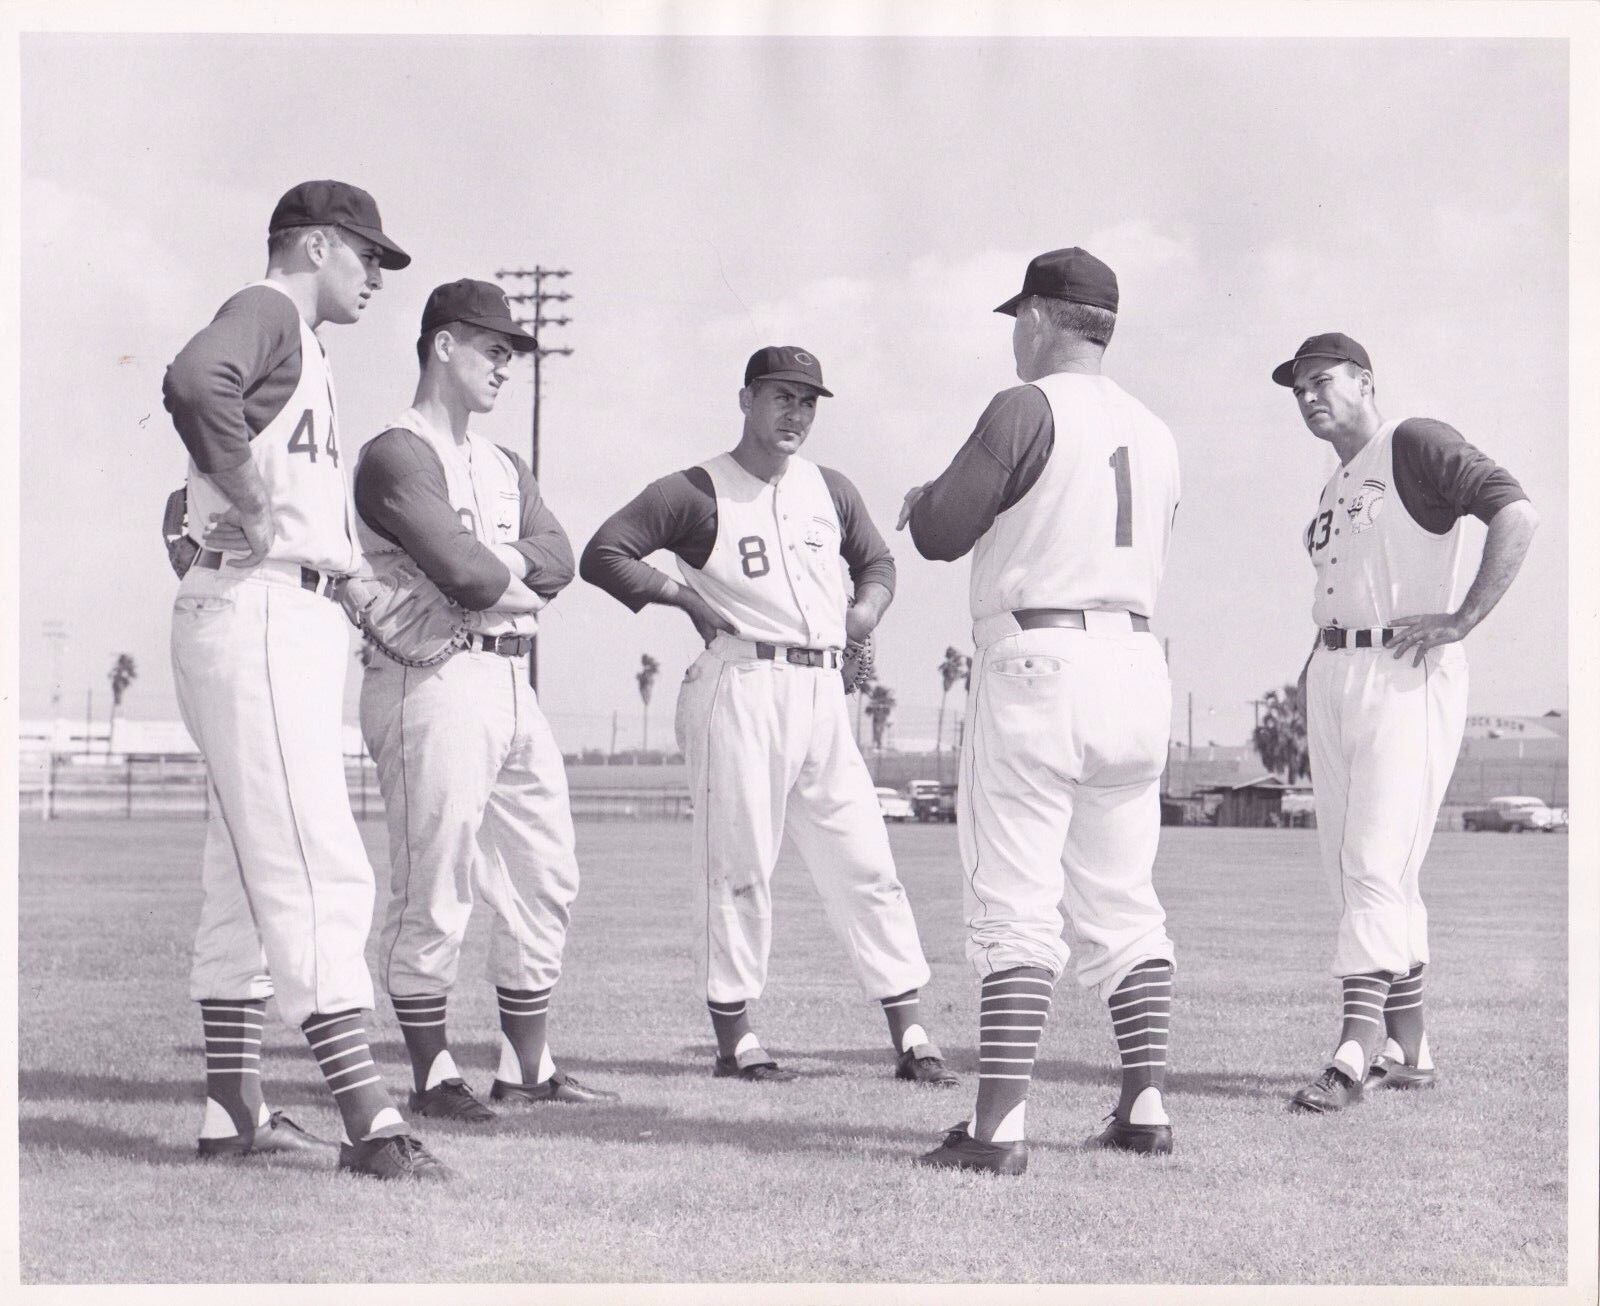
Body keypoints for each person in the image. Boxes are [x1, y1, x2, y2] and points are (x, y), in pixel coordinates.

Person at [163, 179, 447, 1181]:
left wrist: (353, 578)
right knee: (318, 861)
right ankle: (371, 1124)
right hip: (262, 613)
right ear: (316, 244)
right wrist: (244, 495)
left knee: (243, 869)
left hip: (273, 605)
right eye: (367, 255)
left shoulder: (301, 345)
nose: (375, 275)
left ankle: (230, 1110)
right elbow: (196, 384)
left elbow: (238, 482)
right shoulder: (270, 309)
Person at [580, 346, 958, 1088]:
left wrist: (865, 611)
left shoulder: (831, 488)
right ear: (747, 399)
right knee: (738, 867)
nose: (795, 414)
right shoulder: (696, 489)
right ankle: (738, 1039)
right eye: (782, 397)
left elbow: (878, 562)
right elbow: (605, 552)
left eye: (808, 401)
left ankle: (912, 1034)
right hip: (740, 680)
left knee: (867, 865)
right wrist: (683, 597)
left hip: (821, 692)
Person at [901, 247, 1182, 1175]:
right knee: (1124, 900)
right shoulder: (1157, 427)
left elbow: (943, 532)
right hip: (1138, 662)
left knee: (1016, 900)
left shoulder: (1027, 404)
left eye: (1017, 316)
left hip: (1040, 657)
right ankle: (1144, 1105)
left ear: (1038, 317)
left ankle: (996, 1132)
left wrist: (923, 501)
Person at [353, 278, 618, 1120]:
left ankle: (524, 1067)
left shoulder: (504, 463)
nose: (507, 366)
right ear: (442, 345)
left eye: (511, 352)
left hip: (508, 677)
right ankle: (432, 1076)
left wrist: (487, 566)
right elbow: (468, 572)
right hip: (429, 676)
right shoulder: (395, 452)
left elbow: (559, 558)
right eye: (493, 349)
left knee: (547, 873)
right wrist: (499, 572)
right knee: (435, 881)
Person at [1271, 333, 1537, 1113]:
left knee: (1373, 861)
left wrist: (1464, 617)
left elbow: (1514, 510)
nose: (1309, 397)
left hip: (1403, 667)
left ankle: (1353, 1051)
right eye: (1298, 390)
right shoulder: (1335, 482)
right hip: (1336, 669)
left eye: (1322, 381)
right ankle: (1409, 1046)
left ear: (1365, 381)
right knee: (1363, 870)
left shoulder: (1411, 442)